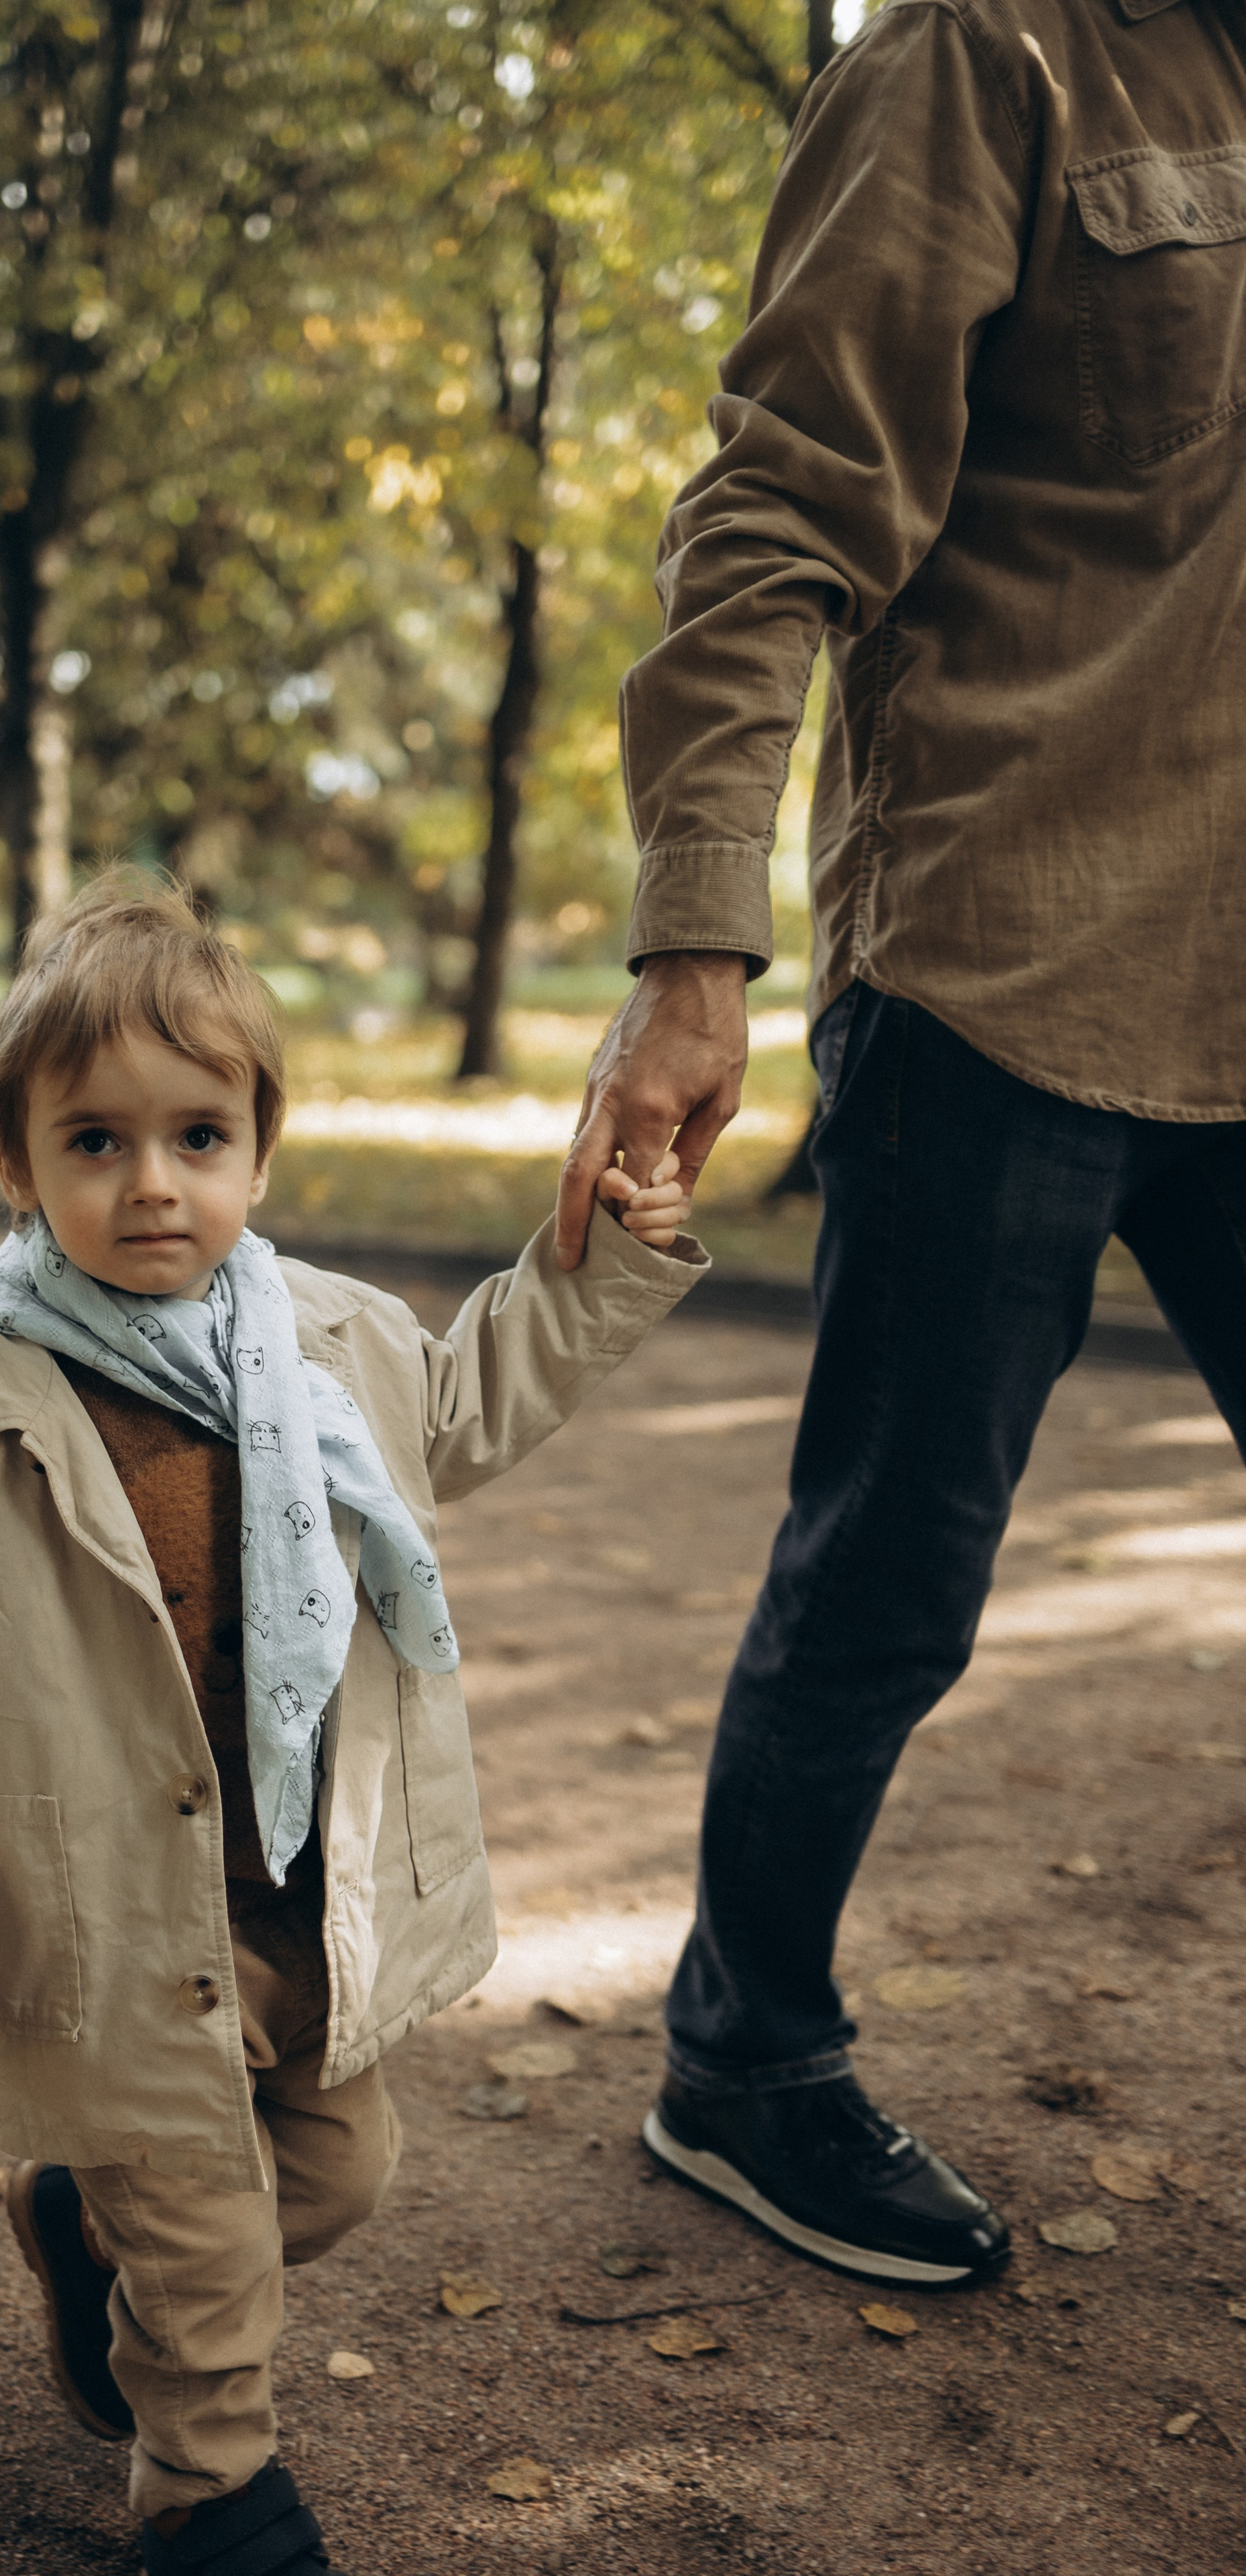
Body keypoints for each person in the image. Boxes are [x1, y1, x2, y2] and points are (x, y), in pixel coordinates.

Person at [555, 0, 1246, 2288]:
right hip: (1000, 971)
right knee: (893, 1575)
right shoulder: (987, 58)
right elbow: (779, 508)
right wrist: (694, 952)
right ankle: (745, 2061)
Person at [0, 882, 705, 2575]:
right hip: (103, 1920)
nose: (152, 1181)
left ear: (258, 1153)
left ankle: (76, 2226)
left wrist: (608, 1251)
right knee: (207, 2248)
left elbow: (475, 1399)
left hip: (298, 1883)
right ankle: (210, 2495)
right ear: (20, 1164)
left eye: (197, 1134)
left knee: (336, 2183)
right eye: (95, 1141)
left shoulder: (329, 1345)